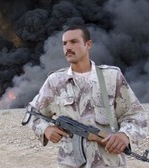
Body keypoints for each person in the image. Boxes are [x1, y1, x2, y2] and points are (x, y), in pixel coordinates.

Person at [25, 25, 148, 167]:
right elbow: (31, 113)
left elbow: (136, 115)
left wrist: (124, 135)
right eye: (64, 43)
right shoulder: (55, 81)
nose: (68, 47)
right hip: (70, 164)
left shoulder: (111, 77)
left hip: (109, 163)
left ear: (88, 44)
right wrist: (45, 129)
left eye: (74, 42)